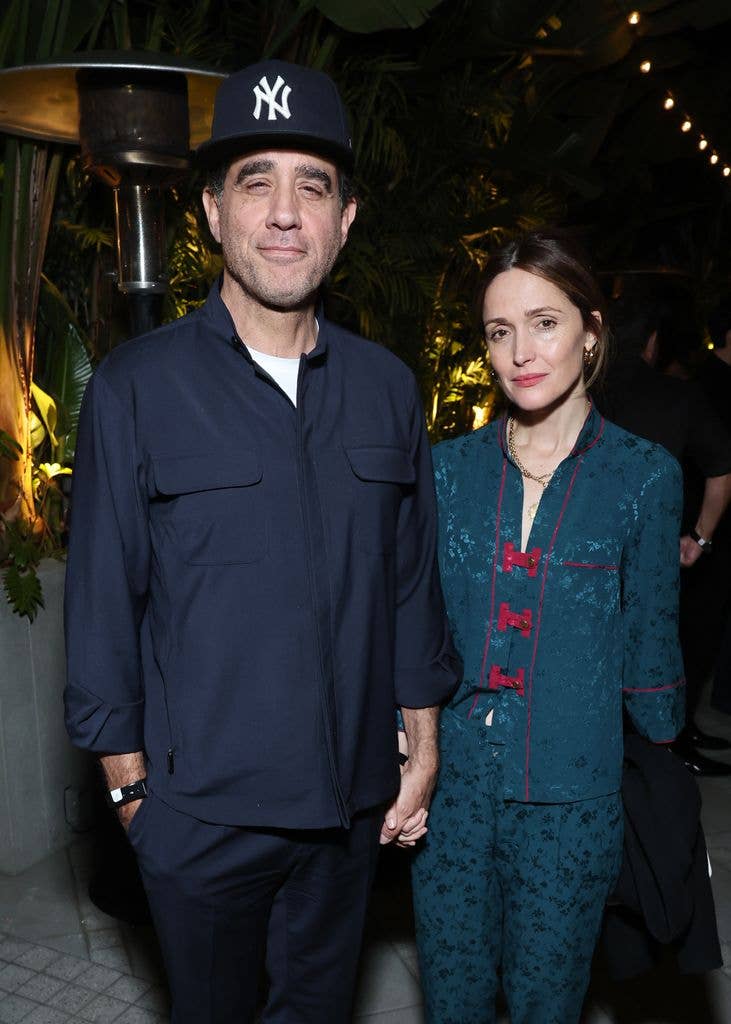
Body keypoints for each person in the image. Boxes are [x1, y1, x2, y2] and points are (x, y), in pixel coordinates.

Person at [64, 59, 460, 1024]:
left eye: (312, 185)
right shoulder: (135, 387)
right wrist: (131, 797)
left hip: (345, 810)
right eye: (256, 181)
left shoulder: (384, 387)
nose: (285, 212)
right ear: (210, 209)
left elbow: (407, 578)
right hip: (197, 814)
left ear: (345, 219)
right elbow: (102, 600)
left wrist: (423, 738)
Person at [410, 230, 685, 1024]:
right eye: (500, 331)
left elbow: (652, 657)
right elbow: (415, 627)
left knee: (546, 1005)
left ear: (590, 331)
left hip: (573, 801)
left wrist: (656, 756)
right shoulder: (444, 471)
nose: (521, 352)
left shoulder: (643, 477)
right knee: (453, 1001)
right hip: (451, 795)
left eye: (544, 322)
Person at [600, 285, 731, 774]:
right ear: (652, 343)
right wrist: (699, 538)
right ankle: (659, 759)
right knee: (654, 666)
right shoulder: (679, 396)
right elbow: (723, 469)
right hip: (652, 562)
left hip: (580, 556)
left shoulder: (579, 390)